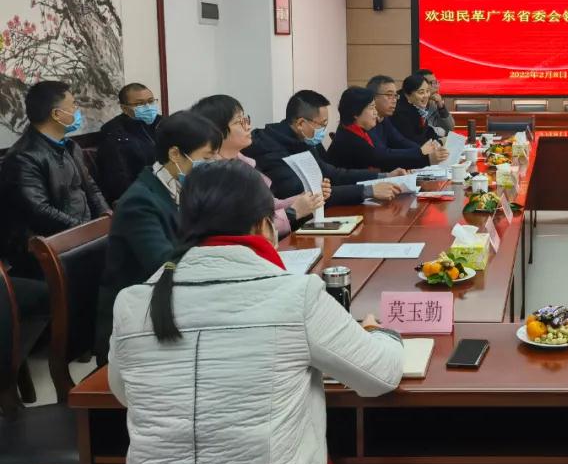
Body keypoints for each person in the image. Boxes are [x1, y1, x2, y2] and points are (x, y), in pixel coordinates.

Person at [109, 160, 404, 464]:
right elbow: (381, 375)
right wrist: (381, 333)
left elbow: (124, 393)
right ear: (266, 225)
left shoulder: (134, 301)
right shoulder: (296, 295)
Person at [95, 111, 222, 363]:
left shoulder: (181, 187)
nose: (214, 163)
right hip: (139, 320)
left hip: (174, 302)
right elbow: (163, 265)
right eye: (207, 158)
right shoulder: (140, 202)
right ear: (175, 154)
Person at [0, 81, 109, 276]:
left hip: (83, 237)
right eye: (73, 105)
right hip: (50, 248)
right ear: (57, 114)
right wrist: (84, 231)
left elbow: (91, 188)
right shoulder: (24, 157)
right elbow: (40, 211)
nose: (78, 111)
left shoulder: (70, 146)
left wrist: (105, 217)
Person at [191, 94, 328, 236]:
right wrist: (293, 212)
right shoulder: (214, 176)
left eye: (246, 119)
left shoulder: (242, 163)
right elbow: (244, 229)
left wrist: (308, 198)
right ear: (216, 131)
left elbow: (269, 205)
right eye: (239, 122)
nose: (248, 126)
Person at [244, 90, 403, 205]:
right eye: (322, 124)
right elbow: (305, 192)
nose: (323, 131)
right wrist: (368, 190)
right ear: (301, 123)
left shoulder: (304, 139)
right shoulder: (269, 149)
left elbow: (331, 173)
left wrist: (384, 176)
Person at [327, 86, 448, 172]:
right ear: (355, 113)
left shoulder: (359, 130)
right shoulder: (350, 137)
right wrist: (422, 155)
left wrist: (421, 153)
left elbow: (396, 145)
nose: (375, 112)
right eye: (371, 108)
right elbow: (381, 157)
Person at [96, 82, 162, 204]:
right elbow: (118, 178)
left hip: (165, 189)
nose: (148, 107)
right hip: (138, 196)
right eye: (140, 104)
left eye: (151, 101)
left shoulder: (162, 123)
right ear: (124, 108)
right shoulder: (113, 132)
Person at [366, 75, 447, 165]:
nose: (394, 100)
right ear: (373, 97)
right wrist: (422, 153)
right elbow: (383, 154)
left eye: (395, 95)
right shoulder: (367, 122)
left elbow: (401, 141)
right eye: (389, 95)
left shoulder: (384, 119)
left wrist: (423, 151)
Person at [390, 73, 441, 146]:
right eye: (421, 92)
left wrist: (438, 141)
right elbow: (413, 141)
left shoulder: (418, 108)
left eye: (427, 91)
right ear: (408, 95)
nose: (426, 96)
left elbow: (427, 130)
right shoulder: (400, 114)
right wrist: (436, 144)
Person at [415, 68, 455, 135]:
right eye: (433, 83)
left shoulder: (434, 104)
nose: (436, 86)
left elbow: (450, 128)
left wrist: (441, 107)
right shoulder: (413, 105)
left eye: (436, 82)